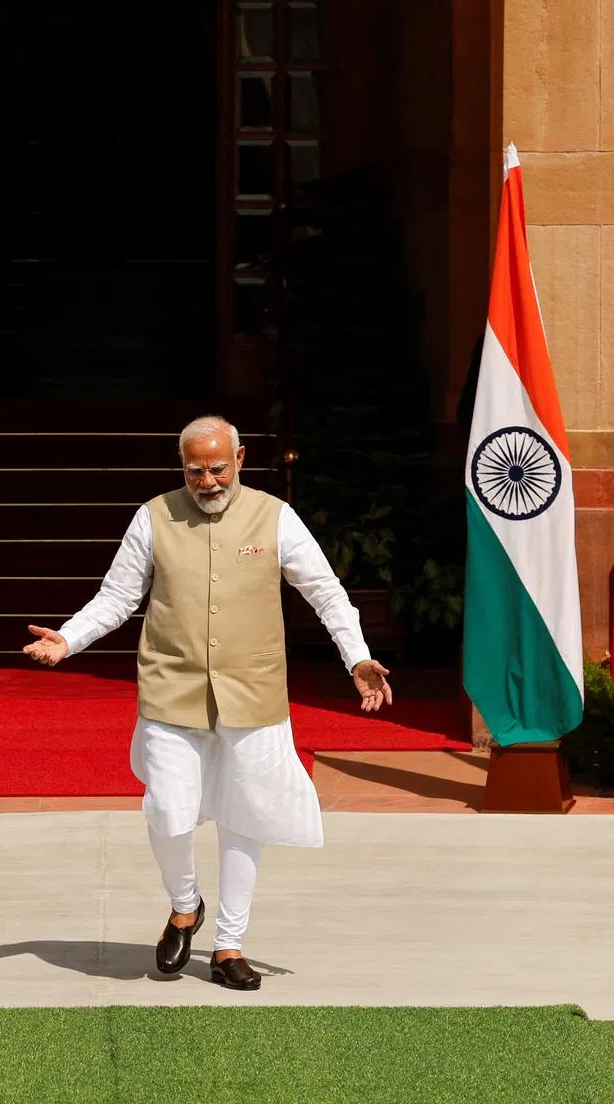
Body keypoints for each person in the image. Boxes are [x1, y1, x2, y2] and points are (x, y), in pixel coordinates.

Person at [23, 415, 392, 990]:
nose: (209, 481)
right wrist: (68, 639)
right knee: (167, 809)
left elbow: (324, 590)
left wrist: (357, 657)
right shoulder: (153, 517)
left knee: (247, 814)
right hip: (172, 687)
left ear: (240, 459)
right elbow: (118, 597)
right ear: (182, 468)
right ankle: (184, 903)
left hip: (254, 689)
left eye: (219, 468)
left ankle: (228, 944)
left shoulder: (275, 516)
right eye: (196, 470)